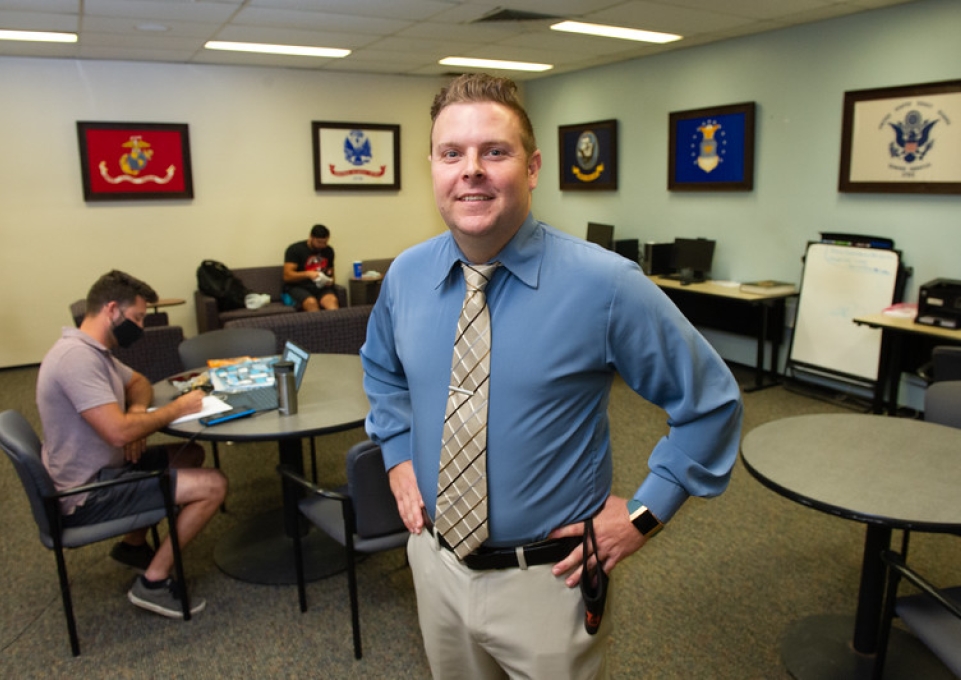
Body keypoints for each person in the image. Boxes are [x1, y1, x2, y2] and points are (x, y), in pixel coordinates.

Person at [360, 73, 744, 678]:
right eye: (451, 153)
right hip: (433, 565)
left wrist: (646, 513)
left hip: (547, 582)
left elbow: (712, 403)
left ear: (532, 166)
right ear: (431, 167)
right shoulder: (406, 276)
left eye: (495, 151)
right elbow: (382, 368)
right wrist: (397, 449)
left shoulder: (605, 284)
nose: (471, 170)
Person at [36, 270, 227, 619]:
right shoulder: (76, 360)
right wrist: (176, 409)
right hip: (88, 492)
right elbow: (118, 433)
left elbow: (138, 382)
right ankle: (153, 583)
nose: (140, 327)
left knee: (191, 453)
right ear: (112, 310)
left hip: (104, 467)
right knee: (214, 486)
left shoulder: (95, 350)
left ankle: (132, 546)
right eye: (137, 318)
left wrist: (137, 415)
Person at [283, 223, 340, 311]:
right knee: (311, 302)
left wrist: (330, 281)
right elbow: (287, 276)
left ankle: (335, 324)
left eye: (325, 242)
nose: (322, 245)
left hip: (320, 287)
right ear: (311, 237)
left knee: (332, 301)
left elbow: (331, 273)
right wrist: (307, 274)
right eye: (319, 242)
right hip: (299, 286)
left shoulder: (328, 251)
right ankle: (318, 324)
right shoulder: (295, 250)